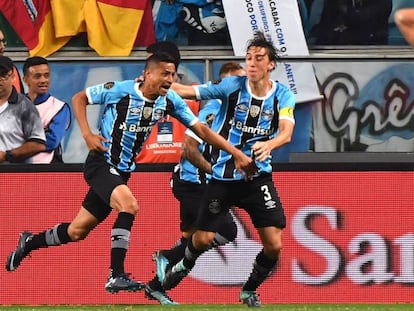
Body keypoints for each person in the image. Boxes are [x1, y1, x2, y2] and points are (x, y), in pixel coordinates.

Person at [5, 52, 256, 294]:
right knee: (130, 205)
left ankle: (29, 242)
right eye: (164, 73)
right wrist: (87, 134)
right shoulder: (120, 89)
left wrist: (236, 153)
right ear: (147, 74)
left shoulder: (169, 101)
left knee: (76, 231)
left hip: (122, 171)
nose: (169, 80)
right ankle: (116, 275)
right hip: (101, 163)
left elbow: (201, 129)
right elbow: (79, 97)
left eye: (172, 75)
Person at [161, 31, 296, 307]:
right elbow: (188, 91)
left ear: (271, 64)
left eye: (259, 58)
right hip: (223, 176)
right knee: (202, 239)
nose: (252, 63)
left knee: (274, 244)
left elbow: (286, 132)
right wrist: (157, 84)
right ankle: (183, 265)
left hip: (257, 178)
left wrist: (270, 144)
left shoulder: (282, 94)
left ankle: (248, 290)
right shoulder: (231, 86)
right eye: (248, 58)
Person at [144, 61, 246, 305]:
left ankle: (156, 286)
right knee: (226, 231)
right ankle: (166, 256)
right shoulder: (214, 107)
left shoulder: (237, 111)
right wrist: (217, 172)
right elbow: (189, 149)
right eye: (238, 82)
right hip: (194, 183)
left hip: (197, 182)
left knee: (192, 242)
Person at [136, 40, 200, 164]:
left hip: (185, 169)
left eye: (151, 62)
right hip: (143, 169)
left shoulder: (196, 92)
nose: (147, 68)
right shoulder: (136, 91)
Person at [23, 56, 71, 163]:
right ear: (26, 79)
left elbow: (52, 141)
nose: (43, 80)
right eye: (37, 76)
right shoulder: (13, 105)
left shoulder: (59, 107)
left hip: (49, 168)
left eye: (46, 75)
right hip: (15, 167)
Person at [0, 56, 46, 164]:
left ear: (13, 77)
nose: (0, 80)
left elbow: (38, 144)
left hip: (16, 174)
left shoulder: (25, 106)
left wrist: (7, 155)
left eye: (3, 75)